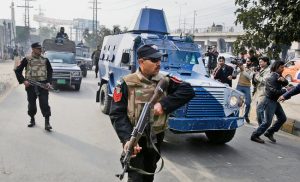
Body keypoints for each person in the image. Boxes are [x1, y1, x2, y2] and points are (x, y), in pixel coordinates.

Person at [109, 44, 195, 182]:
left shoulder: (164, 81)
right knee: (136, 177)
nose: (158, 63)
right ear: (141, 62)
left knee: (150, 172)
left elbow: (188, 91)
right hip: (136, 138)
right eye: (154, 60)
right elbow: (116, 114)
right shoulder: (126, 83)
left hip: (156, 137)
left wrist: (164, 104)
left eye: (159, 60)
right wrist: (126, 139)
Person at [14, 42, 53, 131]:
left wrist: (49, 82)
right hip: (31, 86)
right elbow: (17, 71)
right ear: (33, 49)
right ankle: (32, 119)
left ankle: (47, 123)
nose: (40, 50)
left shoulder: (45, 59)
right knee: (31, 105)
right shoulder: (27, 59)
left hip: (43, 85)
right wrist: (24, 81)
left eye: (41, 48)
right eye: (38, 48)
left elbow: (50, 71)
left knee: (45, 104)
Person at [251, 61, 290, 144]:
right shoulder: (271, 77)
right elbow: (272, 92)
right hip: (269, 101)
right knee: (267, 122)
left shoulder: (278, 76)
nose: (283, 69)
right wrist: (285, 90)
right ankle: (255, 135)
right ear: (276, 67)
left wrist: (283, 81)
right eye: (281, 67)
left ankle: (269, 132)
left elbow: (286, 82)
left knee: (282, 118)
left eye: (283, 67)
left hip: (275, 101)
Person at [234, 58, 254, 123]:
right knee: (238, 102)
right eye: (247, 61)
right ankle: (236, 116)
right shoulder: (242, 66)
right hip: (239, 86)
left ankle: (246, 116)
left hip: (247, 87)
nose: (247, 62)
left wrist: (243, 70)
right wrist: (236, 67)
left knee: (248, 103)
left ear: (251, 62)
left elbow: (250, 77)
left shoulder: (253, 69)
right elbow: (235, 74)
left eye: (249, 61)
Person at [253, 57, 270, 125]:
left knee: (259, 110)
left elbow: (265, 81)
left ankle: (262, 126)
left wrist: (257, 76)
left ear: (266, 62)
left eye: (261, 62)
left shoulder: (268, 70)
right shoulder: (261, 69)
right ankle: (261, 125)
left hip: (263, 93)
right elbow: (256, 80)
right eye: (259, 62)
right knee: (258, 110)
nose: (260, 63)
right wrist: (255, 75)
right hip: (258, 92)